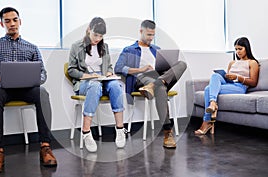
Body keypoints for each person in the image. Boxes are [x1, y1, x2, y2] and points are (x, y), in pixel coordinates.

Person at [0, 7, 57, 175]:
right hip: (3, 89)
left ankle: (45, 147)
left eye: (14, 20)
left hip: (26, 89)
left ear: (20, 21)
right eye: (7, 21)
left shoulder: (32, 47)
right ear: (1, 23)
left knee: (42, 93)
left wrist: (36, 80)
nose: (12, 24)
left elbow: (43, 72)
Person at [114, 20, 187, 149]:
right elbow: (118, 68)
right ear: (141, 31)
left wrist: (167, 70)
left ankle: (155, 85)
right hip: (141, 79)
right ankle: (167, 132)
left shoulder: (157, 49)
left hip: (161, 78)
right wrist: (140, 70)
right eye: (148, 35)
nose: (151, 38)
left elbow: (166, 67)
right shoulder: (129, 49)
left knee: (182, 64)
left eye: (153, 35)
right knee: (160, 88)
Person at [67, 17, 126, 152]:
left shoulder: (104, 47)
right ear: (89, 30)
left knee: (116, 85)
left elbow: (109, 66)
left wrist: (110, 73)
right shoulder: (76, 46)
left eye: (100, 36)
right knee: (94, 85)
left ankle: (120, 129)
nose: (97, 38)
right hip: (85, 82)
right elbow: (71, 70)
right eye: (95, 34)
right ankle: (86, 132)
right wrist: (89, 76)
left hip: (103, 79)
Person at [194, 37, 259, 135]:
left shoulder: (252, 63)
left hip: (240, 87)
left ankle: (206, 121)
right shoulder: (232, 62)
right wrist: (227, 76)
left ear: (247, 48)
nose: (238, 52)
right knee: (215, 75)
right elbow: (227, 76)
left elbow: (253, 82)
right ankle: (212, 103)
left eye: (240, 49)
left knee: (208, 89)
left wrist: (238, 77)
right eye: (236, 49)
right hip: (229, 84)